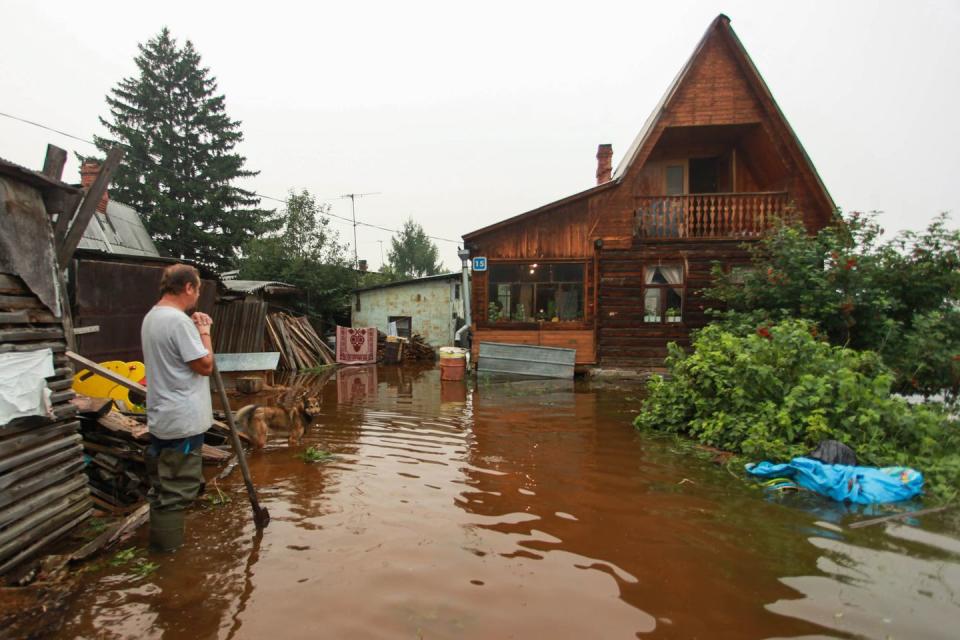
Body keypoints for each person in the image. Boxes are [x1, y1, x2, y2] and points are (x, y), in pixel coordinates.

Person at [140, 264, 214, 551]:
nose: (196, 297)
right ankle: (168, 561)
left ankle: (163, 549)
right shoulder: (177, 321)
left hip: (162, 417)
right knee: (176, 492)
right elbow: (205, 365)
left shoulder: (152, 317)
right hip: (182, 420)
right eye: (197, 290)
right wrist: (204, 331)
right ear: (188, 288)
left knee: (163, 487)